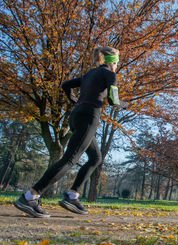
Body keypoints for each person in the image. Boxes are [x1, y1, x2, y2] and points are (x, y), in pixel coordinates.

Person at [14, 46, 126, 218]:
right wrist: (122, 104)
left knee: (96, 158)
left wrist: (73, 99)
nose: (117, 64)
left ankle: (72, 196)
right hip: (89, 116)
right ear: (113, 62)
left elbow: (66, 85)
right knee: (70, 159)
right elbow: (112, 100)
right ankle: (30, 196)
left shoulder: (89, 74)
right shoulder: (110, 74)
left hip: (76, 115)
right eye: (117, 61)